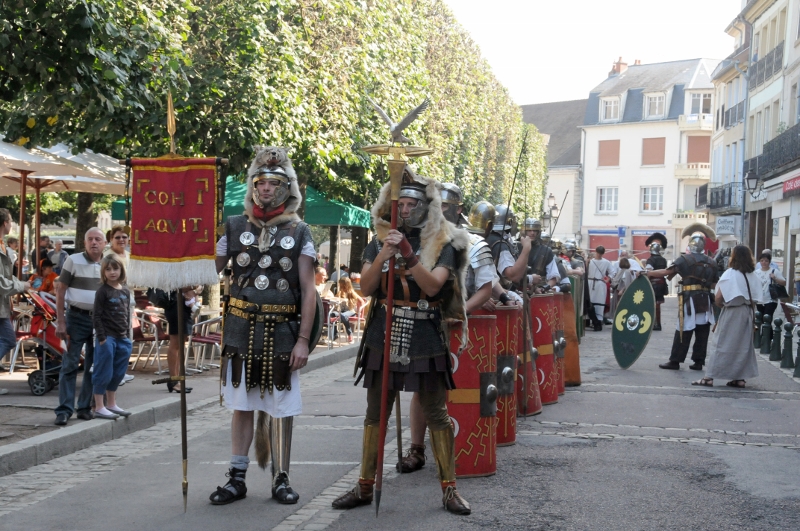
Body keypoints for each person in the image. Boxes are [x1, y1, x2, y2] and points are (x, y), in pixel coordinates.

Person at [333, 171, 471, 515]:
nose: (405, 210)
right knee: (375, 412)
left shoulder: (443, 242)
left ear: (426, 207)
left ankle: (449, 490)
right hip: (384, 330)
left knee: (436, 412)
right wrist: (384, 255)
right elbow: (366, 287)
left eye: (412, 204)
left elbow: (433, 286)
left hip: (426, 332)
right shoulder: (379, 241)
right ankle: (365, 485)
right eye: (402, 204)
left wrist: (409, 255)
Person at [209, 146, 316, 506]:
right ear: (253, 187)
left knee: (280, 407)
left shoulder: (300, 231)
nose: (266, 188)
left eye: (273, 183)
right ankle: (237, 477)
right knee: (242, 405)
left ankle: (281, 477)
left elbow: (308, 290)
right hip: (240, 330)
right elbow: (208, 269)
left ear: (286, 188)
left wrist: (303, 340)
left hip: (282, 332)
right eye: (260, 183)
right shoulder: (234, 226)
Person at [398, 183, 498, 475]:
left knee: (465, 390)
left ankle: (467, 446)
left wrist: (460, 311)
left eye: (445, 206)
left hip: (464, 331)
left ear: (457, 209)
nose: (440, 211)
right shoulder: (424, 241)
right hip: (428, 324)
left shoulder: (474, 243)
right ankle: (417, 449)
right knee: (422, 388)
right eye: (436, 205)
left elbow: (486, 288)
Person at [54, 227, 106, 426]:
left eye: (98, 239)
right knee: (69, 364)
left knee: (93, 365)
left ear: (104, 243)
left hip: (99, 321)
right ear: (84, 243)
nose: (94, 242)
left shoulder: (109, 263)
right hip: (76, 317)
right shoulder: (73, 260)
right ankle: (64, 410)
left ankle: (84, 407)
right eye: (90, 239)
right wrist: (61, 321)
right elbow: (60, 291)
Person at [649, 223, 719, 371]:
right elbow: (714, 284)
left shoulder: (684, 259)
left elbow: (666, 272)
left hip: (690, 300)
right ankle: (698, 362)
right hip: (705, 299)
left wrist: (647, 273)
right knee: (702, 331)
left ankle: (675, 360)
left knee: (683, 330)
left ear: (690, 244)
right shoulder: (712, 262)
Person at [693, 245, 764, 389]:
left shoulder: (731, 273)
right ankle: (739, 378)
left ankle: (709, 377)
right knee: (742, 346)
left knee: (721, 343)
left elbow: (719, 297)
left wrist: (721, 305)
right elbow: (756, 298)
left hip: (732, 311)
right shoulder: (753, 275)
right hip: (747, 312)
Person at [90, 254, 133, 419]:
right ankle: (99, 406)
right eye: (108, 269)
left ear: (121, 270)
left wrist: (127, 334)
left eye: (115, 268)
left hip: (122, 337)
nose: (112, 272)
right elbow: (96, 315)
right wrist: (102, 337)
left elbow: (127, 313)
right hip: (107, 337)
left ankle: (112, 403)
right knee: (103, 370)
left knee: (118, 372)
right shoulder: (102, 291)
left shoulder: (125, 290)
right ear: (103, 272)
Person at [0, 209, 30, 391]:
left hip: (2, 304)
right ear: (5, 223)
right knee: (8, 340)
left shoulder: (3, 246)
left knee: (7, 339)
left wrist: (20, 284)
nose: (11, 224)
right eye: (11, 221)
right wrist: (21, 286)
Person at [104, 226, 135, 386]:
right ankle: (114, 374)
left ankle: (121, 372)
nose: (121, 240)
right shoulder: (108, 256)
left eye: (124, 237)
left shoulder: (129, 256)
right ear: (111, 240)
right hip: (113, 302)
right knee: (115, 337)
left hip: (128, 301)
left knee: (126, 337)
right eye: (117, 237)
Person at [754, 252, 786, 330]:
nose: (764, 262)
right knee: (761, 320)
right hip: (759, 300)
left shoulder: (774, 271)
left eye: (766, 261)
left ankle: (768, 336)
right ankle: (767, 336)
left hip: (771, 300)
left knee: (767, 319)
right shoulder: (756, 273)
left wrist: (775, 278)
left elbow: (783, 282)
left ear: (769, 262)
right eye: (762, 260)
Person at [645, 233, 668, 331]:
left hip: (653, 285)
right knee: (658, 305)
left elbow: (648, 272)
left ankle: (654, 323)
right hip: (662, 283)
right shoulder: (663, 260)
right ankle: (658, 323)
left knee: (652, 304)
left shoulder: (650, 260)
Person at [587, 246, 611, 331]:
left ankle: (598, 321)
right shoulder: (590, 261)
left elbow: (612, 272)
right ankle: (593, 320)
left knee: (599, 303)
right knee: (590, 302)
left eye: (601, 253)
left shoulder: (606, 262)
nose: (599, 255)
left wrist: (608, 279)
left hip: (599, 283)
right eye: (598, 253)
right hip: (591, 282)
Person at [335, 277, 364, 343]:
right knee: (332, 314)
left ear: (346, 285)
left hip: (351, 311)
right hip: (342, 311)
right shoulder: (340, 292)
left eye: (341, 285)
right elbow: (335, 299)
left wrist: (359, 310)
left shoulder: (351, 292)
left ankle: (350, 334)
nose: (340, 286)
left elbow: (361, 301)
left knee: (342, 315)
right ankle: (334, 335)